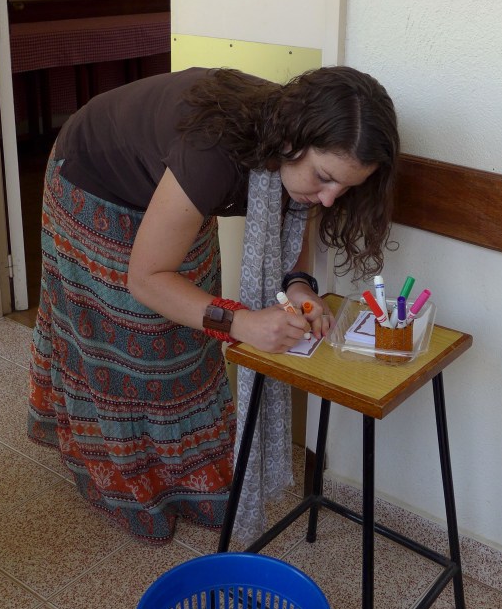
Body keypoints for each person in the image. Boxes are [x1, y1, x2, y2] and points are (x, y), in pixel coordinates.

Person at [28, 65, 399, 542]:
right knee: (130, 356)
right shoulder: (212, 151)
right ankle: (126, 482)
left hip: (171, 196)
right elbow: (146, 279)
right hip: (96, 186)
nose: (329, 200)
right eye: (325, 178)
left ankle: (188, 478)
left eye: (345, 188)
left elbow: (296, 224)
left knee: (186, 350)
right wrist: (241, 323)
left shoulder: (293, 146)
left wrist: (301, 286)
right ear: (292, 140)